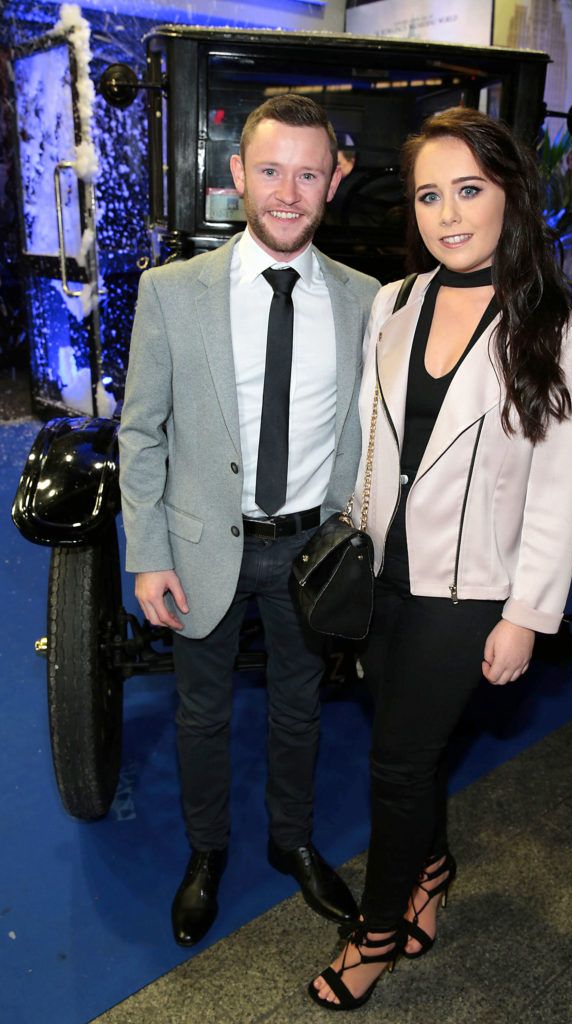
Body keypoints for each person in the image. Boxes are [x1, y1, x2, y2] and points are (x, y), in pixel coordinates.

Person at [310, 106, 572, 1010]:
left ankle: (379, 928)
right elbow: (365, 440)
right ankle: (430, 867)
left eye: (467, 189)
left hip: (469, 591)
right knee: (411, 749)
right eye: (430, 195)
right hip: (379, 575)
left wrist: (525, 616)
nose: (448, 214)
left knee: (395, 763)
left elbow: (556, 486)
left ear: (509, 193)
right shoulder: (392, 305)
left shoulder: (554, 326)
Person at [118, 94, 380, 947]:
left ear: (333, 182)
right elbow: (141, 429)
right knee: (200, 714)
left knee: (301, 709)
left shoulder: (364, 300)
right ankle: (206, 854)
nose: (288, 191)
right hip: (199, 548)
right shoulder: (171, 293)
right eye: (270, 170)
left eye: (309, 173)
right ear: (235, 175)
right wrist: (147, 552)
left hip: (310, 551)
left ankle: (291, 841)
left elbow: (368, 433)